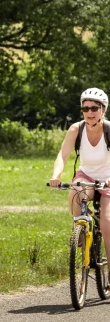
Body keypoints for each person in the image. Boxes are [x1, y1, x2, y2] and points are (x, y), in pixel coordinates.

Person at [49, 88, 110, 278]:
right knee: (75, 190)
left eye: (94, 108)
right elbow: (63, 155)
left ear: (103, 110)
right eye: (86, 109)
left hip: (108, 179)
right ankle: (80, 233)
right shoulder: (77, 129)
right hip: (87, 175)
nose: (90, 112)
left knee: (108, 224)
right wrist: (56, 175)